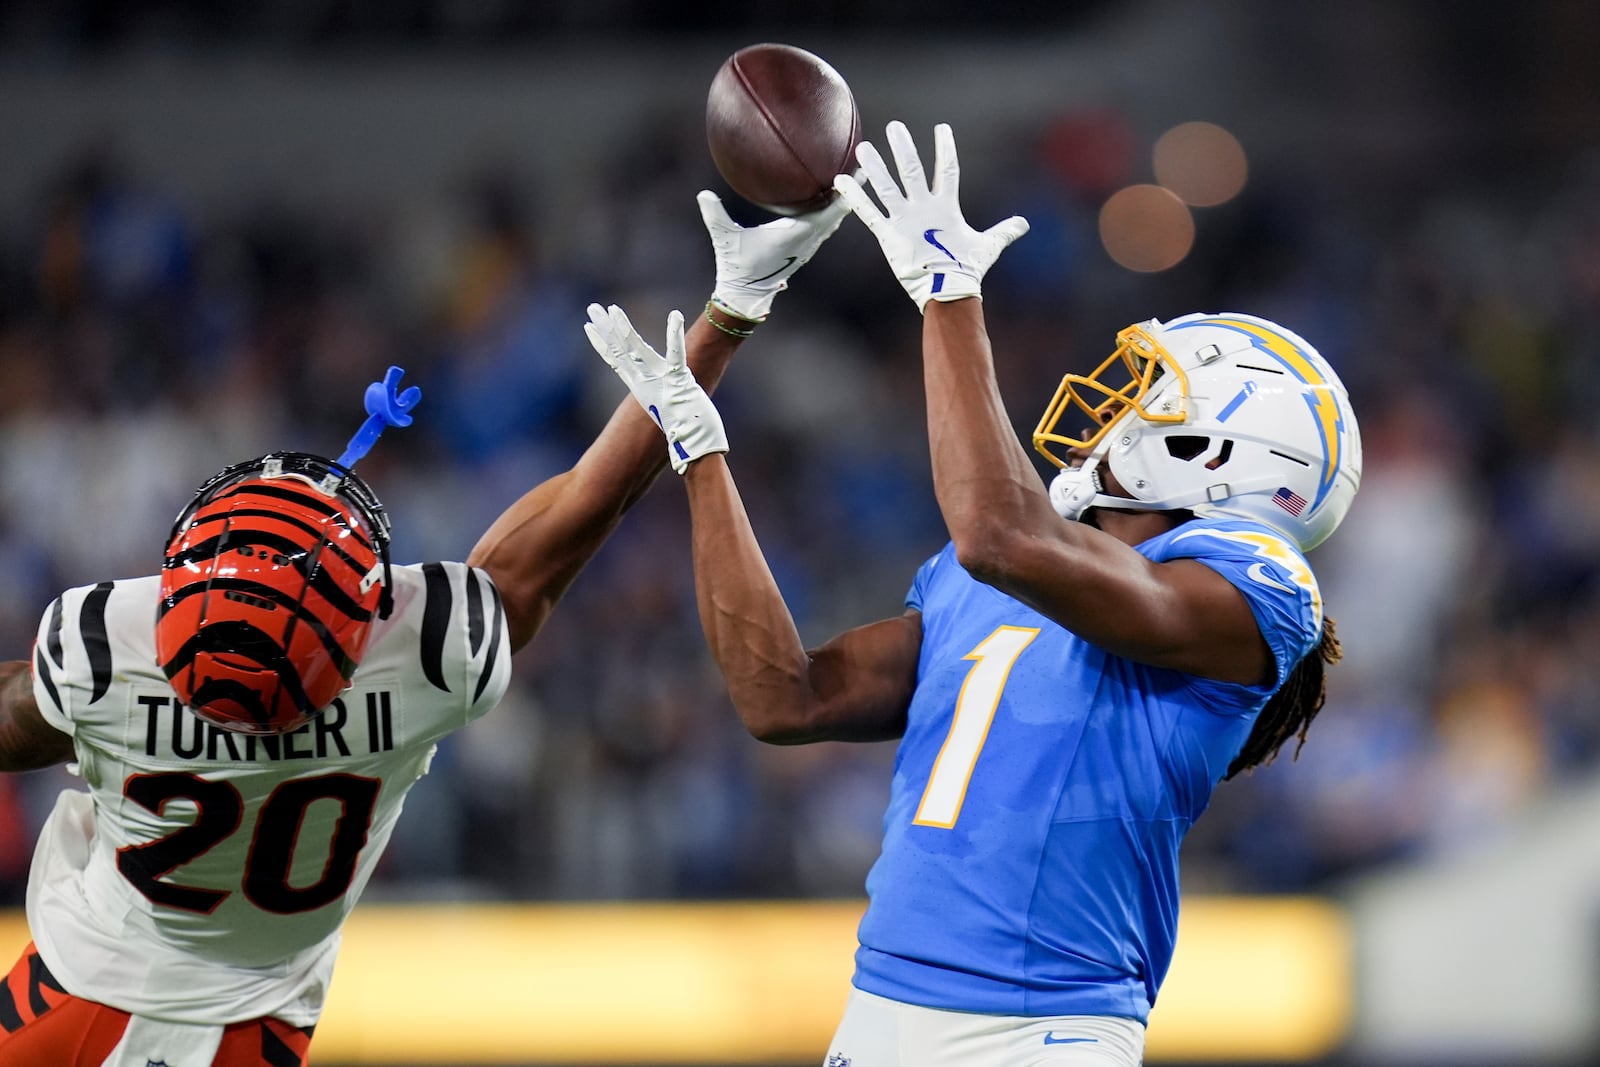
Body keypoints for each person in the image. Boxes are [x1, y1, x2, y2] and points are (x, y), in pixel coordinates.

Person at [0, 190, 849, 1067]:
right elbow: (588, 509)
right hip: (250, 1036)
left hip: (65, 1000)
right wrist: (729, 316)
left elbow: (13, 721)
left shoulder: (106, 641)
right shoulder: (420, 658)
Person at [590, 120, 1362, 1067]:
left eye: (1154, 396)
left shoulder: (1261, 584)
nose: (1116, 409)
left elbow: (1002, 533)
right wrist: (704, 455)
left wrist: (949, 294)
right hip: (877, 1009)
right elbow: (782, 696)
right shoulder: (994, 566)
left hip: (1040, 1030)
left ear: (1220, 450)